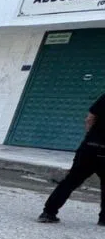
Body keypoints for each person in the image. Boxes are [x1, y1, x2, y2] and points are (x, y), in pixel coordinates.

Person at [38, 93, 105, 225]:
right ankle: (104, 219)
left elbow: (90, 118)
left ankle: (48, 213)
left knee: (70, 181)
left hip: (90, 148)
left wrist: (90, 136)